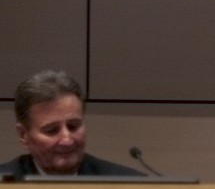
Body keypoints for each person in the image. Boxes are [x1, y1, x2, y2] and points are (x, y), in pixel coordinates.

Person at [0, 70, 144, 180]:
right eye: (52, 130)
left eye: (74, 126)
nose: (67, 140)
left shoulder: (127, 186)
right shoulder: (5, 187)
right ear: (23, 135)